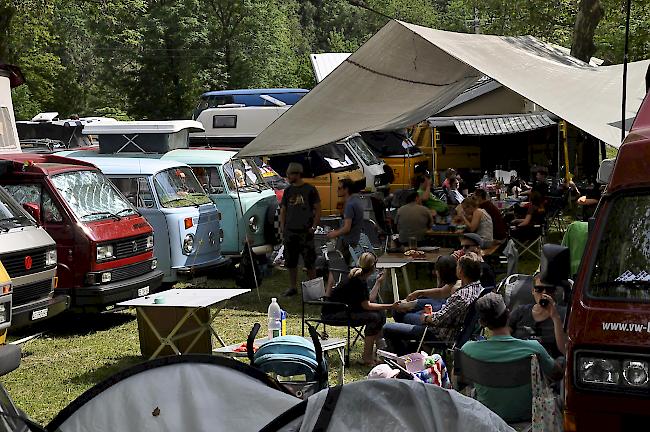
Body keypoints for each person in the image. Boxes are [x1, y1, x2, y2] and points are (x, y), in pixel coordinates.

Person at [461, 292, 563, 423]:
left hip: (488, 418)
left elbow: (460, 380)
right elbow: (557, 375)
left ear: (481, 322)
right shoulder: (533, 348)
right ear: (508, 314)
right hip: (528, 417)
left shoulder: (468, 350)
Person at [382, 253, 484, 356]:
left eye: (457, 266)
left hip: (439, 335)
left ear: (461, 271)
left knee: (387, 328)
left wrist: (426, 317)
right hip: (455, 330)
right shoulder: (479, 288)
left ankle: (406, 356)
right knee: (407, 314)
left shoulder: (461, 296)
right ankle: (412, 347)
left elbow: (438, 320)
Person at [322, 252, 398, 366]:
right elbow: (367, 306)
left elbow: (369, 299)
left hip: (346, 310)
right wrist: (391, 306)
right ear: (374, 266)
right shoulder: (358, 281)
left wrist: (378, 282)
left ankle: (382, 352)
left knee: (380, 313)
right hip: (334, 313)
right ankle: (367, 357)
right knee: (374, 317)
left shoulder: (360, 277)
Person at [279, 162, 321, 297]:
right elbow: (283, 210)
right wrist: (283, 228)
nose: (288, 177)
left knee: (309, 261)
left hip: (305, 231)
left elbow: (318, 208)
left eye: (290, 174)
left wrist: (314, 225)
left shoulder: (310, 189)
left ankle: (314, 290)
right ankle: (292, 287)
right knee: (291, 261)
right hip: (291, 231)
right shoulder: (288, 191)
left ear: (297, 174)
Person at [508, 276, 568, 359]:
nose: (544, 293)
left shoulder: (564, 314)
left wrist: (555, 317)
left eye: (549, 290)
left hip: (550, 362)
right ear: (533, 291)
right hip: (520, 359)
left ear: (554, 292)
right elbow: (503, 336)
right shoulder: (520, 312)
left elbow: (565, 350)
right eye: (539, 289)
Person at [394, 255, 461, 324]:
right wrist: (419, 292)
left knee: (405, 316)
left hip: (435, 321)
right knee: (398, 310)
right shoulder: (456, 284)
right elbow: (441, 292)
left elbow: (444, 316)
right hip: (439, 305)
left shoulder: (456, 290)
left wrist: (426, 317)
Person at [327, 178, 364, 265]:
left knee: (334, 262)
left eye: (339, 188)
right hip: (355, 238)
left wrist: (334, 233)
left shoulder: (350, 205)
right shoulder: (355, 201)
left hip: (348, 241)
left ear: (346, 189)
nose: (337, 190)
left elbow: (347, 228)